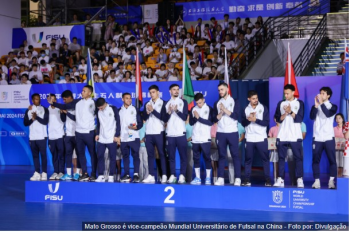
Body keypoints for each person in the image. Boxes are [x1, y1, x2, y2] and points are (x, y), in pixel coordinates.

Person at [48, 85, 97, 182]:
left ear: (89, 93)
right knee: (81, 154)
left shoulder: (94, 103)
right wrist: (54, 103)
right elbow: (65, 106)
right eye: (82, 91)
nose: (82, 92)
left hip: (89, 132)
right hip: (78, 133)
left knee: (92, 154)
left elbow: (101, 110)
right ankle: (84, 174)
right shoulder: (77, 102)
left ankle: (94, 174)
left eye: (84, 91)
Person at [274, 84, 304, 188]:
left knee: (298, 158)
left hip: (295, 135)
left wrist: (290, 111)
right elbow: (277, 119)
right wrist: (285, 114)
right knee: (281, 158)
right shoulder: (281, 103)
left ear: (293, 92)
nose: (286, 95)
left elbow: (299, 119)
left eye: (287, 93)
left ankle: (299, 179)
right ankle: (280, 179)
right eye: (284, 93)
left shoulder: (299, 103)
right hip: (282, 135)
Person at [213, 82, 241, 186]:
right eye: (219, 90)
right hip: (220, 132)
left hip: (232, 132)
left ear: (227, 89)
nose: (220, 92)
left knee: (235, 155)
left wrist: (225, 109)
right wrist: (220, 112)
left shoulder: (235, 101)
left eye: (222, 89)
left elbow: (236, 116)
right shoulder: (217, 103)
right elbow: (214, 118)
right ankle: (220, 178)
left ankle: (238, 178)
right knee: (221, 155)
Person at [241, 90, 271, 186]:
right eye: (253, 99)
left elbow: (266, 123)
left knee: (265, 159)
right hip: (249, 138)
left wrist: (256, 120)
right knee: (248, 160)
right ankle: (247, 179)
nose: (255, 100)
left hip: (261, 138)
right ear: (248, 99)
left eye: (256, 98)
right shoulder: (246, 109)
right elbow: (243, 123)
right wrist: (249, 120)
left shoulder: (263, 108)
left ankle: (267, 179)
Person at [310, 87, 338, 189]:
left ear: (328, 95)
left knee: (332, 160)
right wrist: (316, 106)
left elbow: (327, 114)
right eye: (320, 93)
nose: (321, 95)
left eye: (323, 93)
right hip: (317, 137)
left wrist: (321, 104)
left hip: (328, 137)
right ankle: (316, 181)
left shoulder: (333, 106)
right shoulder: (316, 106)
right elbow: (312, 117)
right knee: (315, 160)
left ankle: (331, 181)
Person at [142, 85, 168, 183]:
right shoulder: (147, 103)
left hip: (159, 131)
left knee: (161, 153)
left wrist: (153, 110)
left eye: (153, 92)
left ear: (158, 92)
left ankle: (164, 174)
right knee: (150, 154)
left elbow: (164, 118)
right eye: (150, 92)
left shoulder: (163, 103)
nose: (152, 94)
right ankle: (151, 175)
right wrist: (147, 112)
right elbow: (144, 117)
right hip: (149, 132)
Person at [164, 84, 188, 183]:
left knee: (183, 156)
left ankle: (182, 175)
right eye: (174, 89)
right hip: (170, 134)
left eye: (178, 89)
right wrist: (169, 112)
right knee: (171, 157)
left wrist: (176, 110)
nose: (176, 91)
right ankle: (173, 175)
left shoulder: (183, 102)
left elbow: (184, 117)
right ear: (170, 91)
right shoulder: (166, 103)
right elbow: (164, 119)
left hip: (181, 133)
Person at [189, 93, 214, 185]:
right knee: (196, 158)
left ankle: (208, 177)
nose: (198, 104)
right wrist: (196, 118)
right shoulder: (193, 109)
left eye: (200, 102)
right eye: (197, 103)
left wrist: (199, 118)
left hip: (205, 138)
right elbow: (191, 123)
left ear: (203, 100)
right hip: (195, 138)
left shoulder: (209, 109)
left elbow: (210, 122)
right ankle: (198, 178)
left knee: (207, 158)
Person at [95, 98, 121, 182]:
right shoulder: (98, 111)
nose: (100, 109)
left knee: (112, 157)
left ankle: (111, 176)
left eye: (101, 107)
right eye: (98, 108)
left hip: (111, 138)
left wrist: (117, 135)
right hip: (102, 138)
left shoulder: (113, 109)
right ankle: (101, 175)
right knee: (100, 157)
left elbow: (118, 122)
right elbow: (98, 123)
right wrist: (97, 134)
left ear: (105, 104)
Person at [24, 93, 49, 181]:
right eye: (36, 99)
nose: (38, 100)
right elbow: (25, 123)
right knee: (35, 156)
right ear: (32, 100)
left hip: (42, 136)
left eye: (38, 99)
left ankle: (44, 173)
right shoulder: (28, 110)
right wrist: (32, 119)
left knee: (43, 155)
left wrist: (37, 117)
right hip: (32, 137)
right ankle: (37, 172)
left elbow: (45, 122)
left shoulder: (44, 109)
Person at [119, 93, 143, 183]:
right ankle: (127, 174)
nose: (129, 100)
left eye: (130, 98)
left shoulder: (135, 109)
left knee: (135, 156)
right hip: (123, 137)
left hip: (134, 137)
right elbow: (118, 125)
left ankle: (136, 174)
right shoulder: (119, 111)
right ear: (122, 99)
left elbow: (140, 123)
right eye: (127, 98)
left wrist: (135, 127)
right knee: (125, 156)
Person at [59, 90, 81, 181]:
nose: (64, 101)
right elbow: (64, 120)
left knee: (79, 154)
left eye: (65, 99)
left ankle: (77, 173)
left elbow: (76, 118)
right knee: (68, 154)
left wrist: (66, 112)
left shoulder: (78, 105)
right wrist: (62, 113)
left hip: (77, 133)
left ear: (69, 97)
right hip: (68, 134)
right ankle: (68, 174)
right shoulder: (66, 107)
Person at [47, 94, 65, 180]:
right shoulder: (47, 110)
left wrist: (62, 112)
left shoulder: (60, 108)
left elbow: (63, 120)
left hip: (60, 135)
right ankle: (55, 171)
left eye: (53, 100)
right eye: (50, 100)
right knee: (54, 155)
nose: (52, 101)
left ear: (56, 100)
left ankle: (61, 172)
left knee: (61, 155)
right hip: (51, 137)